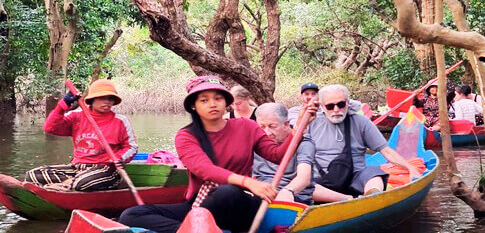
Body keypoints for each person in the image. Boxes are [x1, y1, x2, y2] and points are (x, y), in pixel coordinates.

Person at [119, 75, 314, 233]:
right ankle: (193, 231)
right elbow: (205, 170)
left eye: (218, 98)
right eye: (204, 100)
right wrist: (248, 181)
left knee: (227, 191)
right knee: (130, 215)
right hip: (203, 205)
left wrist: (298, 129)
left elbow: (277, 155)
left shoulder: (246, 126)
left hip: (240, 203)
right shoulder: (186, 136)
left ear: (226, 102)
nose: (212, 104)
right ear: (194, 106)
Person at [308, 84, 420, 202]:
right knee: (302, 185)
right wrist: (302, 120)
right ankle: (346, 199)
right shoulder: (311, 122)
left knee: (375, 174)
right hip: (322, 182)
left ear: (347, 103)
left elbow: (386, 151)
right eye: (330, 106)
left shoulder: (361, 122)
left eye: (341, 104)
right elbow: (293, 147)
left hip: (355, 179)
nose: (336, 110)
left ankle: (370, 199)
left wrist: (410, 168)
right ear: (322, 106)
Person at [24, 79, 138, 192]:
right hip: (78, 167)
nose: (107, 102)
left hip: (106, 169)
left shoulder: (120, 121)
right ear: (92, 100)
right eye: (102, 98)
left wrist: (120, 158)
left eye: (110, 99)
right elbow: (50, 128)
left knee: (83, 183)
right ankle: (69, 183)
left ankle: (67, 184)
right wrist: (62, 106)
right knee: (33, 175)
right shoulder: (77, 116)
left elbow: (131, 147)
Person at [253, 103, 314, 204]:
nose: (267, 132)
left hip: (292, 197)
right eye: (262, 127)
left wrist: (288, 191)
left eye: (272, 126)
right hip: (261, 194)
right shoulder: (257, 140)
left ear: (286, 124)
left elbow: (304, 177)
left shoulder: (304, 143)